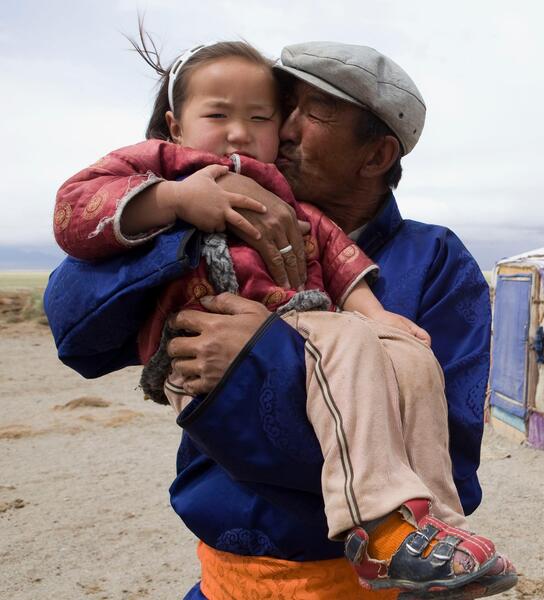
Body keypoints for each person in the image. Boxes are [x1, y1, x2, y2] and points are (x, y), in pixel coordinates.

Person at [45, 40, 510, 598]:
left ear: (376, 156)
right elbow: (74, 329)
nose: (280, 129)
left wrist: (263, 354)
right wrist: (190, 205)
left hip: (372, 588)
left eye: (310, 113)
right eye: (282, 106)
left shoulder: (436, 263)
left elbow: (450, 457)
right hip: (226, 582)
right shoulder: (192, 207)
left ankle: (412, 540)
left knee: (403, 357)